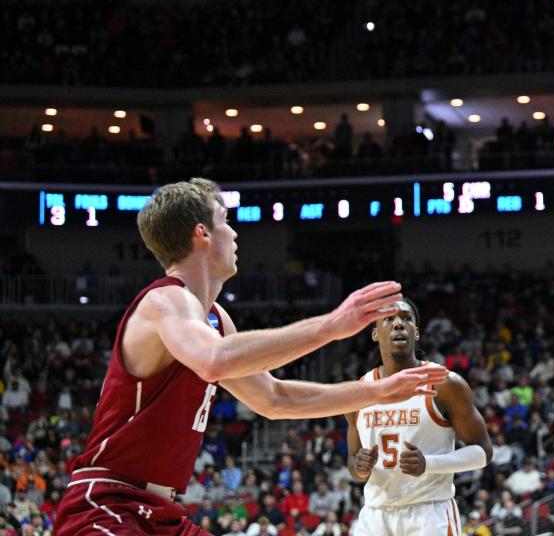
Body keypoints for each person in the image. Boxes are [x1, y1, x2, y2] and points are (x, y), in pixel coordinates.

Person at [53, 178, 447, 535]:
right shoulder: (164, 300)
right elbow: (213, 360)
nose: (235, 231)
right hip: (106, 503)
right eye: (226, 220)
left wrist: (376, 394)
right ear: (202, 233)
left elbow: (275, 399)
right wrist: (331, 325)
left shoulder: (216, 320)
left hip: (160, 512)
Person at [346, 298, 493, 535]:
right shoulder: (358, 392)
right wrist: (359, 467)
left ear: (416, 333)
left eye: (406, 318)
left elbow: (483, 452)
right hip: (375, 515)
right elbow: (353, 464)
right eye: (389, 319)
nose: (398, 324)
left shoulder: (445, 384)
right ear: (375, 334)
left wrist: (429, 463)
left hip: (429, 514)